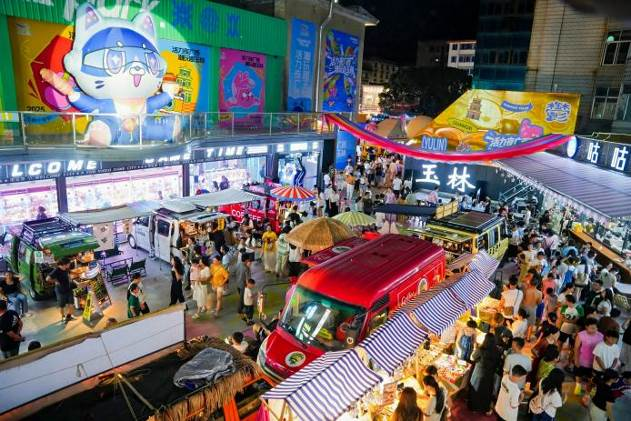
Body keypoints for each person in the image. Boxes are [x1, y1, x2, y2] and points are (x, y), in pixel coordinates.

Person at [468, 333, 501, 414]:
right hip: (489, 374)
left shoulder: (481, 349)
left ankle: (474, 408)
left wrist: (475, 348)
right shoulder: (497, 351)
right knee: (486, 392)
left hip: (479, 373)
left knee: (475, 390)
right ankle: (484, 408)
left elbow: (472, 358)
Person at [46, 258, 75, 324]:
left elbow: (68, 274)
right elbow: (47, 279)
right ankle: (63, 317)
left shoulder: (66, 269)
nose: (70, 264)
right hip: (60, 290)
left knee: (71, 304)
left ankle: (69, 316)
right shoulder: (56, 270)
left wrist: (69, 278)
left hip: (68, 289)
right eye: (69, 263)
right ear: (64, 264)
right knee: (62, 306)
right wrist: (56, 281)